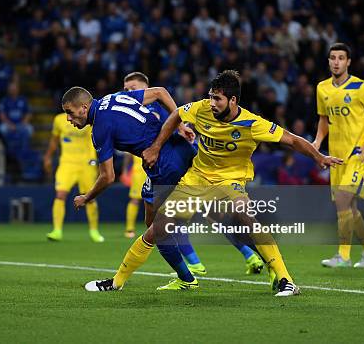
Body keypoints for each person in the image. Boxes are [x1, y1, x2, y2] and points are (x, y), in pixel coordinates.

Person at [86, 70, 342, 296]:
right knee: (156, 229)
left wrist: (318, 156)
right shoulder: (201, 109)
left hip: (230, 180)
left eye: (217, 98)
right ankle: (117, 282)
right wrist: (161, 142)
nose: (212, 103)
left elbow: (293, 140)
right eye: (210, 96)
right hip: (196, 178)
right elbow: (175, 113)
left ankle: (285, 279)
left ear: (233, 100)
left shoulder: (253, 124)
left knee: (245, 219)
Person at [59, 83, 210, 290]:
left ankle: (185, 278)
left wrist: (86, 197)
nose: (68, 119)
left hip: (163, 165)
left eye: (70, 112)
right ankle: (258, 259)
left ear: (84, 108)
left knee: (156, 229)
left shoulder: (99, 129)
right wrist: (179, 124)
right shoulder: (114, 98)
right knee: (220, 208)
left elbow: (108, 176)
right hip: (182, 146)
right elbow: (160, 92)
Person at [121, 72, 263, 275]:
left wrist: (178, 127)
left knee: (164, 219)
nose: (128, 93)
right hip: (178, 164)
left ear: (146, 88)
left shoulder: (151, 109)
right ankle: (250, 255)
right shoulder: (141, 110)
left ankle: (196, 264)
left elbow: (170, 120)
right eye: (125, 90)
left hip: (176, 167)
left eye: (133, 88)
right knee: (212, 216)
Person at [313, 43, 364, 268]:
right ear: (328, 61)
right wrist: (317, 141)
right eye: (333, 58)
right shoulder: (322, 88)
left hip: (358, 155)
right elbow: (324, 120)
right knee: (350, 208)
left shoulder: (361, 87)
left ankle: (343, 255)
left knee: (343, 200)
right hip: (336, 157)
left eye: (341, 58)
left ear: (348, 62)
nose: (336, 62)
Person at [43, 111, 104, 243]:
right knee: (60, 194)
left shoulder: (88, 118)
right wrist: (48, 156)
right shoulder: (59, 119)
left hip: (86, 163)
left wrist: (94, 161)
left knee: (89, 197)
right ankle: (57, 230)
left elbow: (94, 140)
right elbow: (54, 140)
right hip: (67, 163)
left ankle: (94, 231)